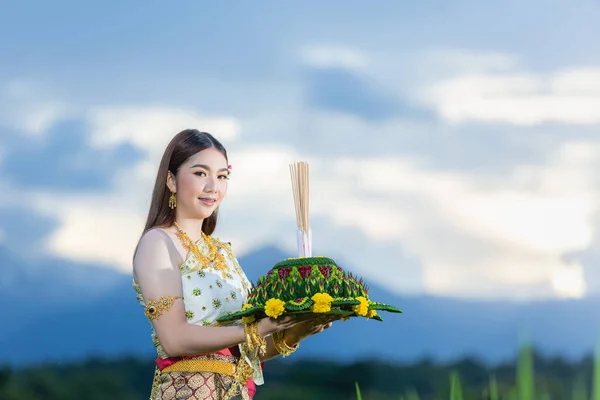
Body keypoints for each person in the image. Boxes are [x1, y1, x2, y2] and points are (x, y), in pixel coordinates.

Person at [132, 129, 334, 400]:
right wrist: (257, 328)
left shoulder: (223, 255)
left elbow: (248, 348)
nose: (213, 187)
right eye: (200, 173)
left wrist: (298, 330)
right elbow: (174, 338)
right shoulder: (158, 243)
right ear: (171, 180)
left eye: (222, 176)